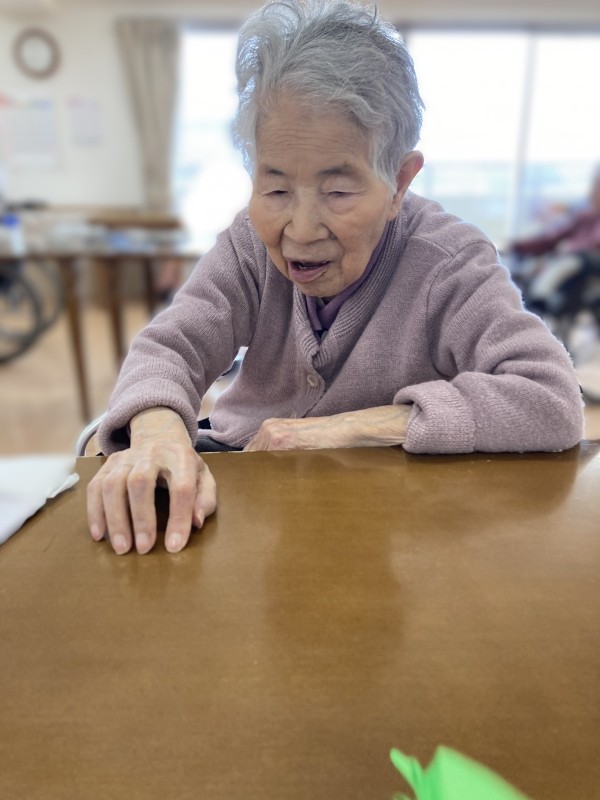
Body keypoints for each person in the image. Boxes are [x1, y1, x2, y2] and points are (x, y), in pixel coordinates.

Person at [87, 0, 583, 556]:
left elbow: (551, 399)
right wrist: (157, 434)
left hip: (385, 514)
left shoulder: (448, 261)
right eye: (276, 189)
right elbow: (170, 347)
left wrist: (349, 428)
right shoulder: (248, 244)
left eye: (339, 191)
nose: (299, 230)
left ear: (399, 183)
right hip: (247, 489)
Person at [509, 165, 600, 318]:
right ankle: (528, 300)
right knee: (534, 269)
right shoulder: (583, 217)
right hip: (569, 266)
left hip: (585, 263)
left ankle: (539, 301)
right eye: (594, 187)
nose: (592, 193)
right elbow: (551, 239)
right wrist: (517, 245)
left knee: (571, 261)